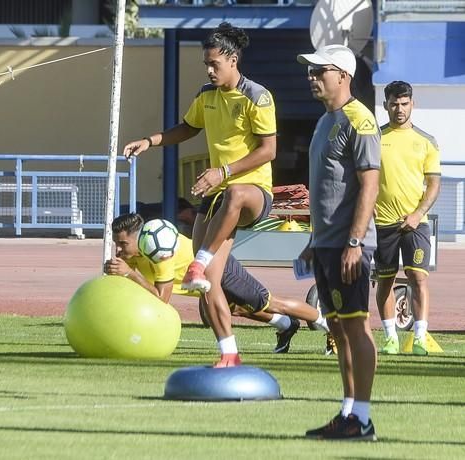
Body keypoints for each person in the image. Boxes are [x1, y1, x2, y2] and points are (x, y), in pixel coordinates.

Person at [123, 23, 276, 367]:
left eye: (214, 64)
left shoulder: (257, 96)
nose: (209, 70)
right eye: (206, 64)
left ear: (233, 60)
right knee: (209, 283)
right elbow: (187, 128)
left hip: (253, 192)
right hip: (217, 196)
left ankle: (199, 261)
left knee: (234, 195)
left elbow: (268, 150)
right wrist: (150, 141)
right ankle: (229, 353)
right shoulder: (207, 95)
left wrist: (222, 172)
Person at [103, 214, 329, 359]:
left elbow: (162, 300)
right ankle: (286, 325)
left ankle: (329, 326)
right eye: (116, 244)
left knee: (271, 302)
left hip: (222, 270)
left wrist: (130, 274)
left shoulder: (160, 253)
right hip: (206, 282)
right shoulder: (132, 256)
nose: (119, 250)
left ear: (140, 238)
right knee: (232, 309)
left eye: (123, 244)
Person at [297, 45, 380, 441]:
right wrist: (315, 239)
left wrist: (354, 241)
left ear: (343, 75)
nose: (312, 78)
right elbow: (326, 189)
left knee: (356, 328)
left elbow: (369, 184)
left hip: (349, 245)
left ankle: (362, 418)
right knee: (339, 330)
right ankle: (348, 412)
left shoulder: (359, 120)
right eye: (310, 72)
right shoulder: (324, 122)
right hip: (326, 244)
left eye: (320, 71)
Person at [374, 81, 440, 356]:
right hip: (382, 224)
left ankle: (421, 337)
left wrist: (418, 214)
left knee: (418, 278)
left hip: (415, 223)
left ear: (413, 104)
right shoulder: (375, 138)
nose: (399, 109)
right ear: (386, 104)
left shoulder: (426, 141)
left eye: (404, 104)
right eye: (394, 103)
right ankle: (390, 337)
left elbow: (434, 184)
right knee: (385, 281)